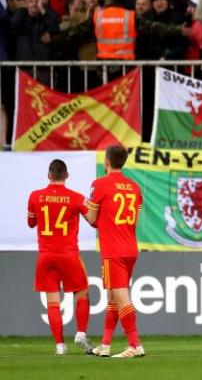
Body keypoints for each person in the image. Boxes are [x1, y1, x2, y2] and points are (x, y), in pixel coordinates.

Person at [27, 159, 93, 355]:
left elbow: (31, 223)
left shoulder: (35, 196)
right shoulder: (76, 198)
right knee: (82, 293)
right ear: (67, 176)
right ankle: (81, 334)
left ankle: (60, 346)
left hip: (46, 256)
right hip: (69, 254)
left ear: (49, 176)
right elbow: (93, 220)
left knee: (53, 301)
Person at [84, 145, 144, 358]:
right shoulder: (135, 187)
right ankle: (106, 345)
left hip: (113, 249)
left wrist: (85, 208)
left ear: (106, 162)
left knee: (121, 296)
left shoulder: (99, 184)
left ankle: (135, 345)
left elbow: (92, 219)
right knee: (112, 297)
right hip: (130, 247)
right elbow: (133, 221)